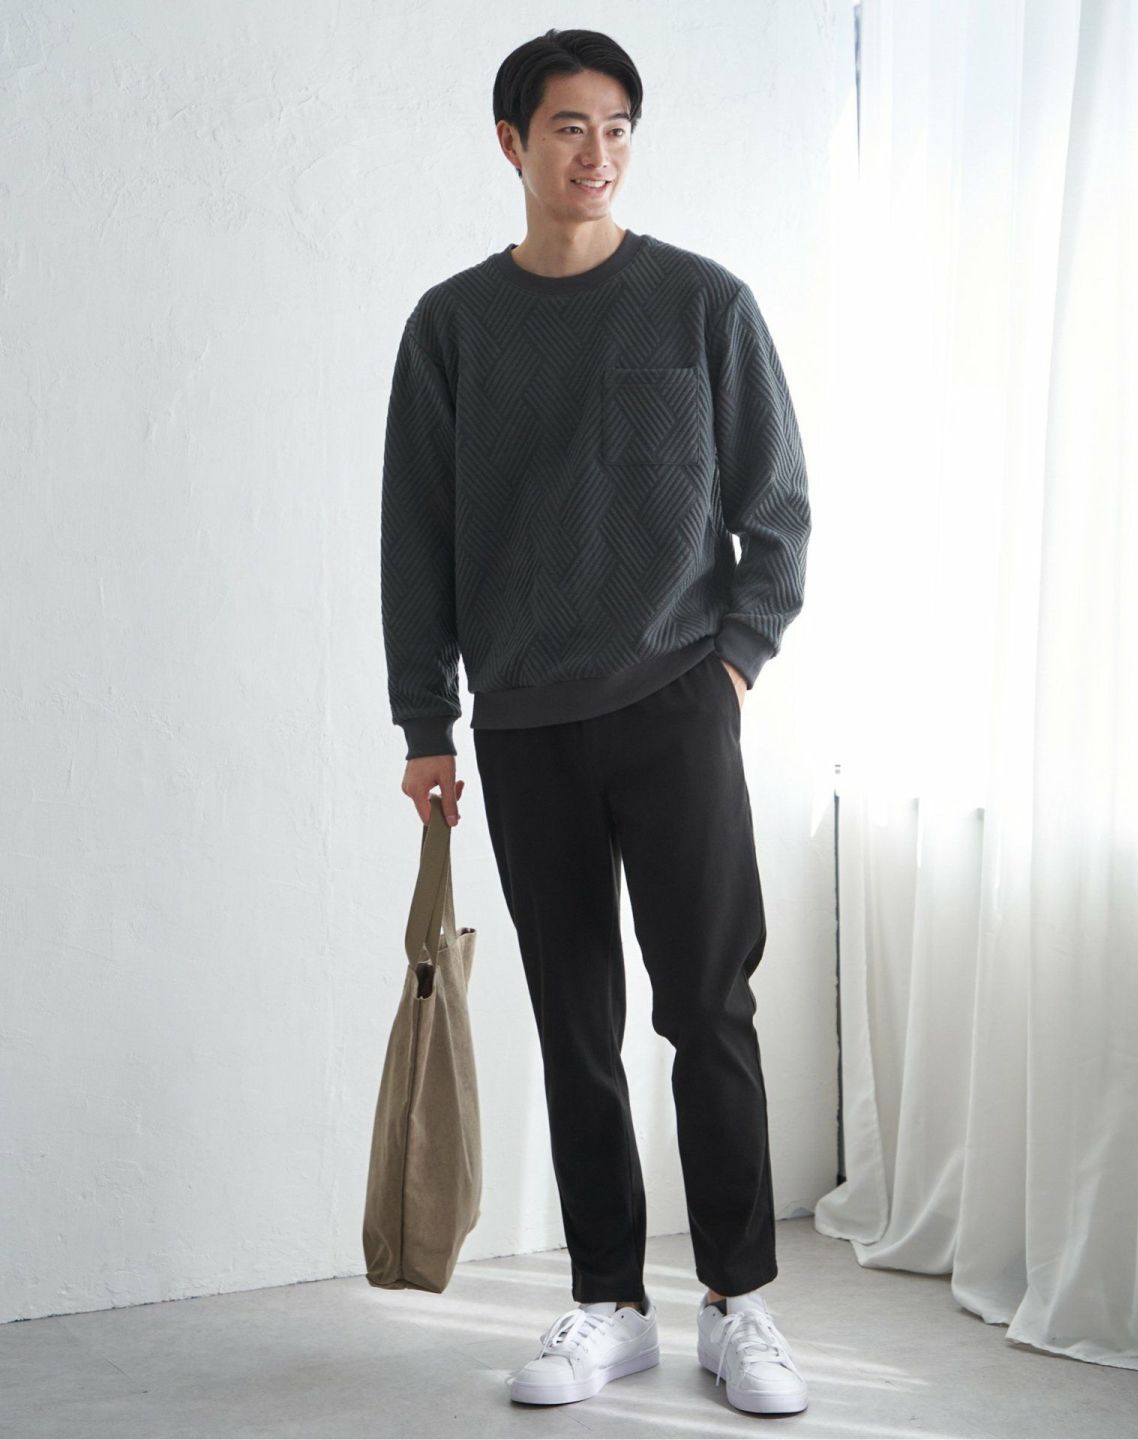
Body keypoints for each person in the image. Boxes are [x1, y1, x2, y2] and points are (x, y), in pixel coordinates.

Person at [380, 26, 812, 1418]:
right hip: (524, 727)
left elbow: (776, 513)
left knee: (709, 1008)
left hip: (678, 706)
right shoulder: (452, 327)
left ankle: (738, 1303)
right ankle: (609, 1304)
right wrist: (426, 723)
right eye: (569, 126)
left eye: (618, 127)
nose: (597, 153)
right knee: (576, 1021)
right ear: (512, 142)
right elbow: (416, 541)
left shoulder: (703, 303)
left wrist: (730, 670)